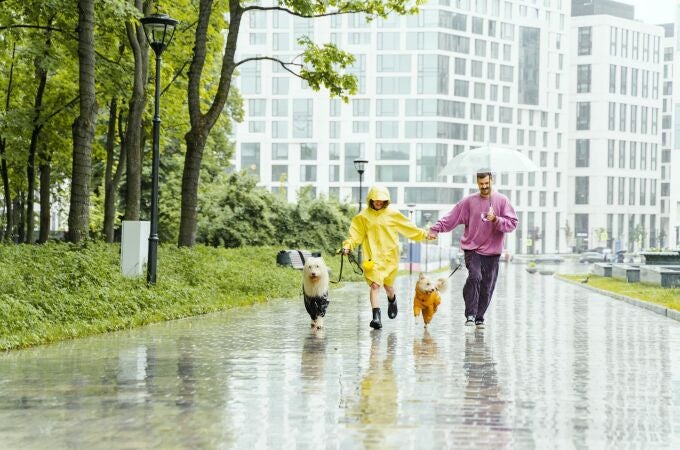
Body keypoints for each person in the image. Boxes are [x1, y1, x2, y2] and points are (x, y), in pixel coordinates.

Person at [427, 172, 518, 329]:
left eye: (486, 183)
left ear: (492, 181)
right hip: (473, 250)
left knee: (487, 287)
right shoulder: (469, 201)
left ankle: (479, 317)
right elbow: (452, 217)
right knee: (475, 277)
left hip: (493, 253)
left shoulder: (502, 201)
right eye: (480, 184)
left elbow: (512, 224)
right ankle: (470, 314)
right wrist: (435, 229)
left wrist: (496, 219)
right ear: (477, 183)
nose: (483, 187)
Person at [342, 185, 429, 329]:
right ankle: (376, 317)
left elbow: (409, 228)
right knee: (375, 285)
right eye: (376, 199)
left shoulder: (393, 214)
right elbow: (355, 235)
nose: (378, 202)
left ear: (386, 200)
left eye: (382, 200)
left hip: (390, 257)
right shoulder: (363, 217)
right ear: (371, 199)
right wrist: (347, 246)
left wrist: (425, 234)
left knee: (388, 286)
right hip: (372, 258)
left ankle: (392, 300)